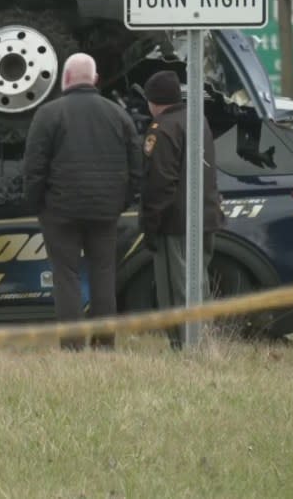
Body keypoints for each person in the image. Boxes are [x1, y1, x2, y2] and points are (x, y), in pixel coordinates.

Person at [23, 53, 143, 351]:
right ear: (96, 79)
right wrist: (120, 202)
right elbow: (137, 166)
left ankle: (72, 345)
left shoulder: (48, 114)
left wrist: (37, 203)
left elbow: (33, 168)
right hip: (105, 211)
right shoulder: (118, 115)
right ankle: (104, 344)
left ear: (65, 79)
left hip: (60, 211)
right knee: (104, 274)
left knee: (66, 277)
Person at [139, 70, 225, 349]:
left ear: (153, 101)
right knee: (198, 284)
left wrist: (150, 225)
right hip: (205, 217)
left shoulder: (162, 129)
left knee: (176, 288)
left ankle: (186, 346)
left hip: (175, 224)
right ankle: (203, 341)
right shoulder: (196, 119)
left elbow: (159, 183)